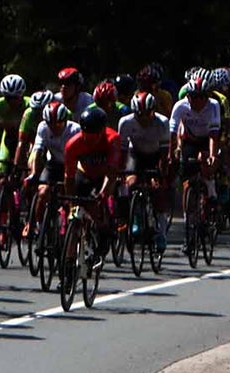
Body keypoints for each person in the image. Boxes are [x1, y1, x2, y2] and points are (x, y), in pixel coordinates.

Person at [169, 73, 221, 252]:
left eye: (201, 97)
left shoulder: (214, 106)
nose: (197, 102)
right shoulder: (180, 106)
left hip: (207, 139)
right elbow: (173, 133)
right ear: (188, 96)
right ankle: (188, 229)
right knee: (186, 185)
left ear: (207, 97)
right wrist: (173, 153)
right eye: (193, 97)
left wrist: (212, 155)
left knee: (206, 162)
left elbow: (214, 135)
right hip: (189, 140)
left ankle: (211, 192)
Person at [64, 107, 121, 262]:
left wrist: (104, 193)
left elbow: (111, 173)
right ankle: (69, 259)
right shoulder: (72, 144)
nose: (89, 139)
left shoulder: (112, 139)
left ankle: (103, 231)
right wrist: (70, 201)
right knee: (76, 210)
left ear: (102, 131)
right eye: (86, 135)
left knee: (97, 204)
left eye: (94, 136)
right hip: (84, 173)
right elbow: (69, 176)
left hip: (105, 175)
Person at [117, 91, 171, 250]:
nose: (144, 119)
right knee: (131, 183)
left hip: (155, 156)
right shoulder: (125, 123)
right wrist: (121, 172)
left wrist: (161, 175)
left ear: (153, 111)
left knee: (157, 190)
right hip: (136, 154)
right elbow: (122, 152)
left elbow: (164, 154)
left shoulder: (162, 122)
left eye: (148, 114)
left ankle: (161, 232)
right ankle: (135, 218)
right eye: (139, 116)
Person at [25, 100, 80, 237]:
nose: (55, 128)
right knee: (42, 192)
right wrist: (34, 174)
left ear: (65, 121)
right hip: (53, 163)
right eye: (51, 124)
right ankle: (38, 225)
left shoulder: (75, 130)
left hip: (72, 165)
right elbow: (37, 153)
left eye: (59, 124)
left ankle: (71, 222)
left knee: (70, 196)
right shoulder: (43, 128)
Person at [0, 74, 28, 177]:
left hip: (27, 140)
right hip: (8, 138)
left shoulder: (30, 105)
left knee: (27, 167)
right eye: (8, 98)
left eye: (15, 97)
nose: (12, 101)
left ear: (22, 95)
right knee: (1, 170)